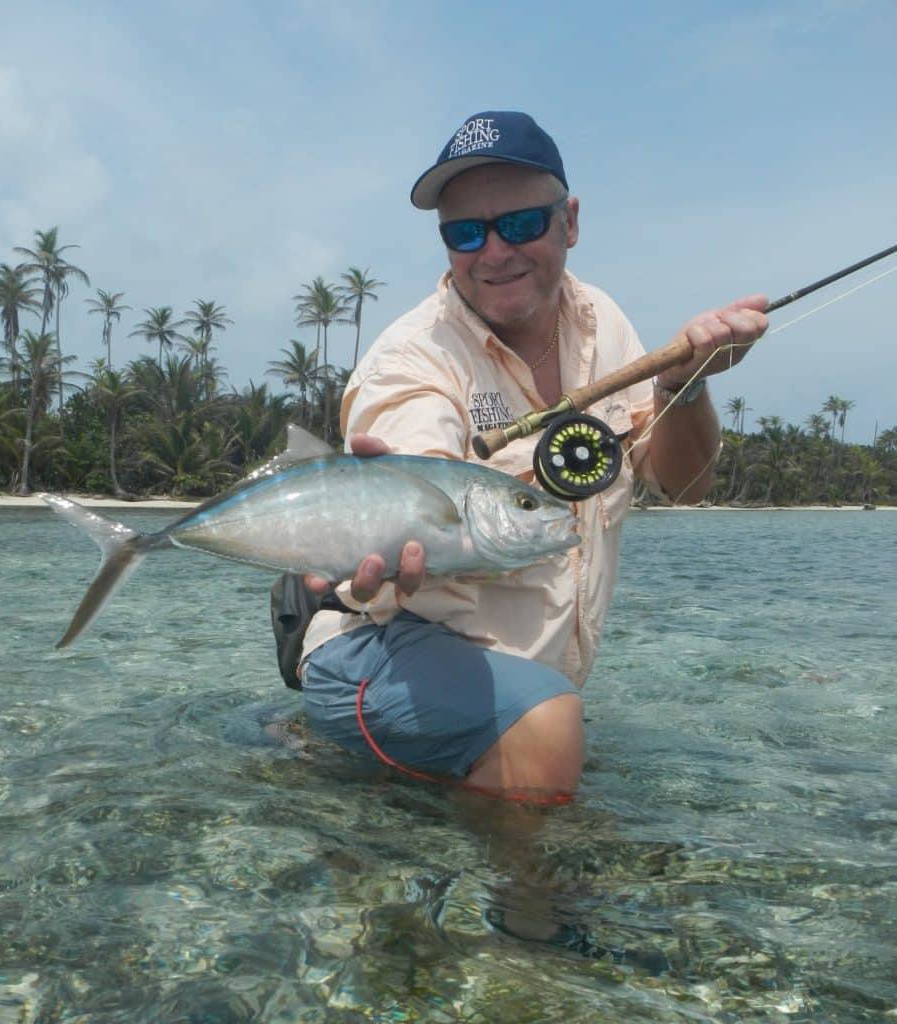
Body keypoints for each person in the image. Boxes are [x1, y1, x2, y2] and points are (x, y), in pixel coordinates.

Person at [297, 110, 768, 803]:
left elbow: (687, 482)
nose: (493, 253)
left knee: (546, 733)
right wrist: (401, 519)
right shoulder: (410, 359)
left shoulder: (602, 322)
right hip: (375, 650)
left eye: (519, 224)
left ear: (569, 222)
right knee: (547, 736)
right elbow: (413, 452)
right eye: (465, 234)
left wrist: (683, 385)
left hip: (519, 686)